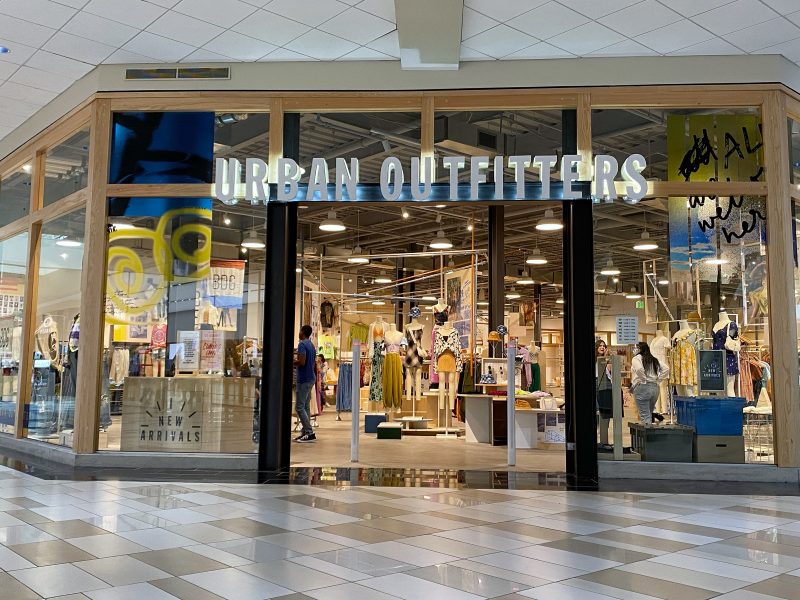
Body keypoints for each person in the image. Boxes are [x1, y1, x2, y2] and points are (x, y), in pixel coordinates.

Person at [630, 341, 669, 424]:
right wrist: (658, 380)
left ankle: (647, 431)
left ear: (639, 349)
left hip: (643, 388)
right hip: (655, 388)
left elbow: (639, 369)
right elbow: (666, 368)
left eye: (635, 348)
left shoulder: (636, 358)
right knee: (649, 414)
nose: (634, 350)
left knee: (645, 416)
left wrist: (643, 379)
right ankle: (650, 429)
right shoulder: (654, 359)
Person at [293, 324, 317, 443]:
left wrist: (291, 362)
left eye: (300, 331)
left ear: (302, 332)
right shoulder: (311, 345)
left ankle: (309, 432)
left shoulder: (302, 344)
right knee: (305, 406)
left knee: (299, 406)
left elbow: (302, 362)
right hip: (311, 378)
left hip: (304, 379)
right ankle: (305, 432)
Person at [595, 340, 613, 448]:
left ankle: (604, 439)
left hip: (606, 383)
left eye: (604, 346)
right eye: (600, 346)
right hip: (597, 382)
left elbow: (610, 371)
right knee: (598, 410)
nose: (602, 347)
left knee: (605, 411)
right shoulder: (595, 359)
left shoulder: (607, 359)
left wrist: (607, 357)